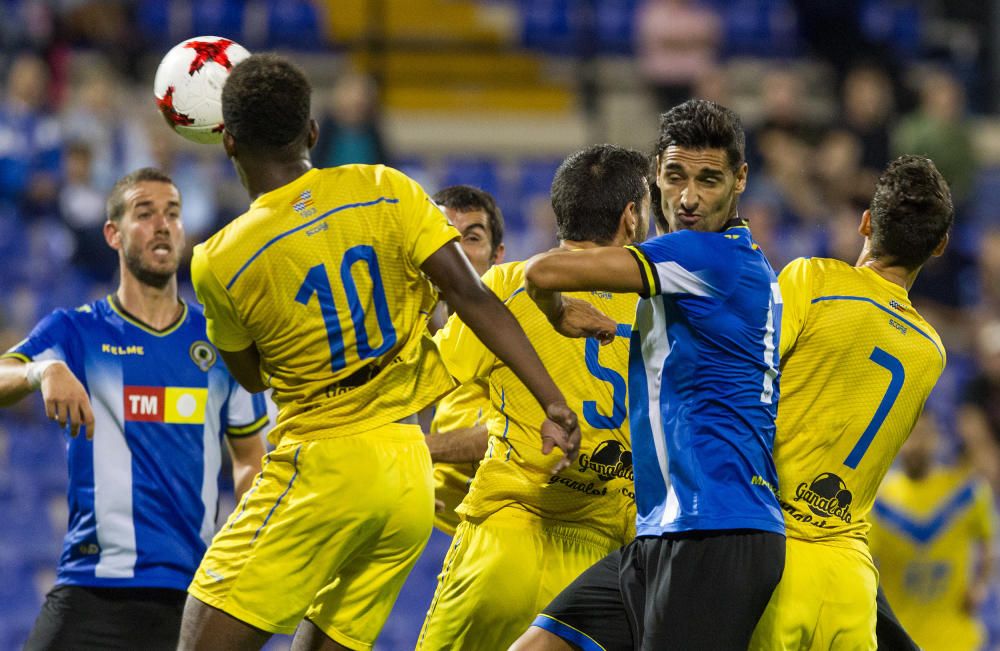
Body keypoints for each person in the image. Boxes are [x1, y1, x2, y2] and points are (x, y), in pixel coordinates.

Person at [178, 54, 587, 651]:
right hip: (406, 477)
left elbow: (249, 376)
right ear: (313, 132)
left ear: (229, 144)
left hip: (323, 462)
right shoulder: (386, 188)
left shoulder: (219, 259)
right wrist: (551, 400)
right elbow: (473, 298)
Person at [511, 99, 785, 650]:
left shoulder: (705, 257)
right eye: (675, 176)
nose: (688, 198)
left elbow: (541, 269)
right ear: (654, 172)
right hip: (663, 529)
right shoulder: (728, 262)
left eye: (709, 180)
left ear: (740, 180)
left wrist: (560, 313)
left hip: (714, 530)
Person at [0, 167, 268, 651]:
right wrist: (43, 371)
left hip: (190, 599)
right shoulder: (76, 331)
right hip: (91, 586)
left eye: (173, 214)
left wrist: (244, 528)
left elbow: (250, 455)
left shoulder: (219, 342)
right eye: (144, 214)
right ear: (113, 233)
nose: (162, 224)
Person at [418, 144, 647, 650]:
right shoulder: (662, 309)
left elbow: (419, 381)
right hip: (598, 572)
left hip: (505, 539)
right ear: (631, 217)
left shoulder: (506, 286)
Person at [748, 154, 953, 650]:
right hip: (850, 581)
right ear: (940, 247)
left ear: (865, 222)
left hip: (774, 556)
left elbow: (747, 377)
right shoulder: (931, 352)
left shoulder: (813, 280)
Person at [870, 412, 995, 651]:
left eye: (923, 436)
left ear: (936, 439)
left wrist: (980, 584)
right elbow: (868, 561)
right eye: (909, 437)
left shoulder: (966, 491)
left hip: (957, 638)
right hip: (901, 637)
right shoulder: (878, 499)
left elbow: (988, 542)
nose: (915, 445)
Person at [423, 184, 506, 535]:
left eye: (471, 238)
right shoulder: (406, 327)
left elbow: (512, 434)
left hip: (492, 527)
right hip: (429, 520)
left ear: (496, 255)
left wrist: (413, 452)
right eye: (445, 237)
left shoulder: (515, 331)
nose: (456, 252)